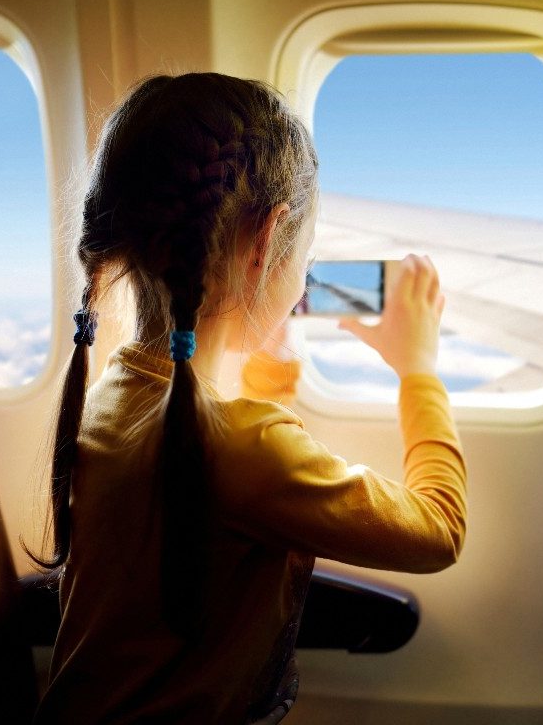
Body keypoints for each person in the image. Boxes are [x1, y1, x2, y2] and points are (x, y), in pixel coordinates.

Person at [30, 74, 467, 724]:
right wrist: (418, 368)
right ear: (267, 242)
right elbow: (438, 531)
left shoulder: (108, 401)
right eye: (303, 254)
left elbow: (216, 463)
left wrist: (271, 361)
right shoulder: (246, 449)